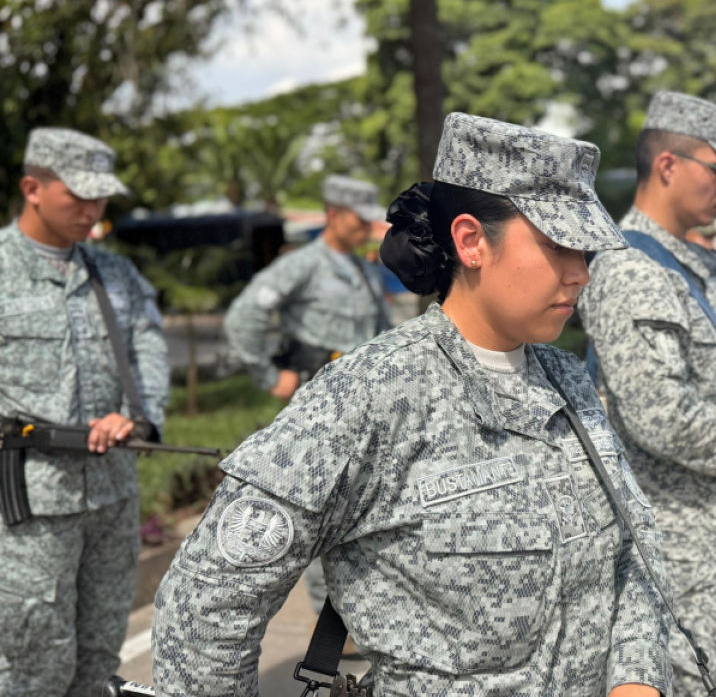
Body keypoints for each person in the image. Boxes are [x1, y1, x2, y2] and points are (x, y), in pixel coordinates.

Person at [152, 113, 673, 697]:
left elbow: (635, 551)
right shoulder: (368, 395)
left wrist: (637, 679)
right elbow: (205, 608)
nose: (580, 273)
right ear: (472, 241)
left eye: (585, 250)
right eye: (558, 244)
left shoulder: (568, 382)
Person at [580, 92, 716, 697]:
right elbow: (662, 417)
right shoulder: (632, 269)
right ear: (668, 165)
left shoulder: (693, 264)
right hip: (679, 551)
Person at [0, 129, 169, 695]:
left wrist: (137, 417)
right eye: (79, 195)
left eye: (101, 197)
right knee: (32, 664)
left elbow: (147, 344)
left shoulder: (114, 274)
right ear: (34, 188)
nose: (93, 210)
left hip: (112, 495)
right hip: (27, 506)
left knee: (99, 658)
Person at [223, 174, 393, 616]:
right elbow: (244, 315)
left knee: (364, 508)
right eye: (359, 219)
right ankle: (327, 617)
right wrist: (267, 374)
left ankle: (357, 614)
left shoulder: (364, 270)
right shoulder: (304, 265)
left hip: (367, 409)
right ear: (333, 215)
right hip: (320, 408)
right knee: (325, 507)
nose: (365, 228)